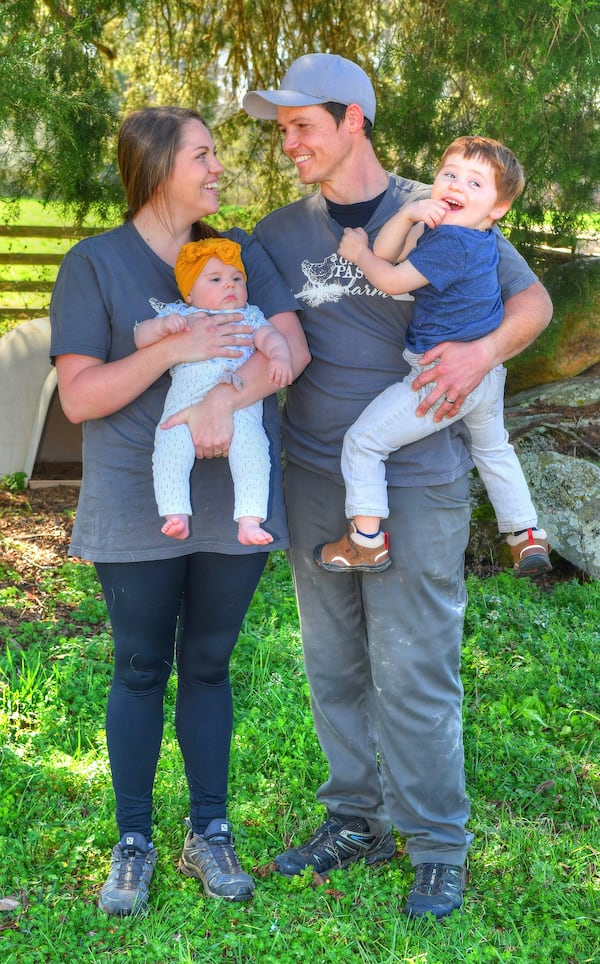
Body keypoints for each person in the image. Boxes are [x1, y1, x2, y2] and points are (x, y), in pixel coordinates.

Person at [242, 53, 552, 919]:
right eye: (282, 129)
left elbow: (530, 307)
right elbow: (272, 338)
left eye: (302, 125)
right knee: (333, 661)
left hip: (417, 472)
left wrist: (483, 352)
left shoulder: (447, 203)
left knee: (414, 666)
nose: (289, 142)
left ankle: (438, 846)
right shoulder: (276, 234)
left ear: (353, 120)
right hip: (315, 471)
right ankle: (355, 822)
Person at [50, 106, 309, 917]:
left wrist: (223, 400)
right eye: (204, 155)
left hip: (240, 502)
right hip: (135, 499)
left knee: (207, 664)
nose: (219, 168)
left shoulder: (240, 252)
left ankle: (210, 830)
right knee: (138, 667)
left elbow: (291, 353)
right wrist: (174, 349)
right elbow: (82, 396)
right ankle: (133, 841)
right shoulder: (94, 264)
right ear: (160, 167)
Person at [315, 136, 551, 578]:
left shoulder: (452, 245)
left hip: (439, 376)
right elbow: (392, 253)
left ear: (498, 208)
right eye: (450, 174)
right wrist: (408, 215)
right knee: (494, 449)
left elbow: (388, 277)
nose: (456, 185)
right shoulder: (466, 234)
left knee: (364, 441)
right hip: (486, 374)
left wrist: (358, 253)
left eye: (474, 183)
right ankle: (525, 534)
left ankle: (365, 540)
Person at [134, 237, 293, 545]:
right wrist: (164, 327)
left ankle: (250, 520)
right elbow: (141, 337)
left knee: (254, 451)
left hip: (239, 407)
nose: (230, 286)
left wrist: (280, 355)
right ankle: (175, 512)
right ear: (189, 292)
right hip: (182, 409)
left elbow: (270, 336)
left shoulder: (249, 314)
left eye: (237, 278)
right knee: (168, 446)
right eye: (216, 279)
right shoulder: (179, 314)